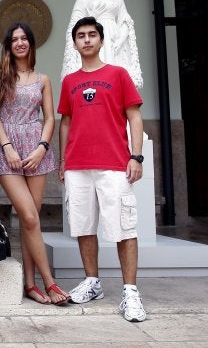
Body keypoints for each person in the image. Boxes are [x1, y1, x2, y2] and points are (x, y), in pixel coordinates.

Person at [58, 16, 146, 322]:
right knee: (83, 226)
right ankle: (92, 282)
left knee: (123, 228)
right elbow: (66, 122)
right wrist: (63, 160)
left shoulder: (118, 74)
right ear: (75, 43)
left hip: (113, 164)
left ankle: (130, 292)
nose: (86, 40)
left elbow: (134, 116)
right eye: (80, 36)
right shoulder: (69, 81)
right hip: (78, 166)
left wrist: (136, 156)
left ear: (101, 40)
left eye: (91, 35)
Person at [0, 22, 70, 305]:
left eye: (24, 38)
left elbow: (49, 117)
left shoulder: (42, 79)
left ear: (31, 44)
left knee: (29, 220)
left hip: (36, 149)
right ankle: (50, 282)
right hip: (6, 150)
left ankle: (30, 284)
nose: (20, 43)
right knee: (32, 218)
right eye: (15, 39)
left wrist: (42, 148)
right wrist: (7, 147)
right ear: (8, 45)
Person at [62, 0, 143, 89]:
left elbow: (126, 22)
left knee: (114, 75)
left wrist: (119, 41)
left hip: (112, 39)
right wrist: (92, 17)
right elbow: (74, 26)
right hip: (93, 36)